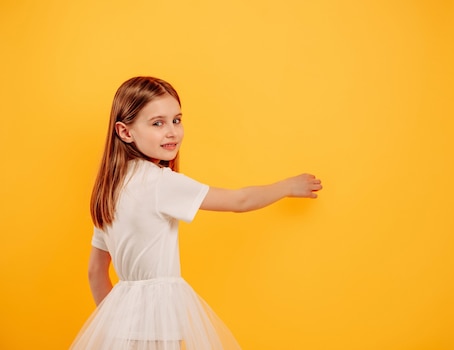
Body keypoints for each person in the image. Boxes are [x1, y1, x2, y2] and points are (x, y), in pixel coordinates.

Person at [71, 76, 322, 350]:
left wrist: (114, 327)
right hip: (159, 323)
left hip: (121, 326)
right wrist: (286, 186)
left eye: (176, 120)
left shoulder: (110, 190)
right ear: (125, 131)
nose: (172, 132)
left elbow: (96, 272)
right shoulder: (159, 182)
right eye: (158, 123)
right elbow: (239, 200)